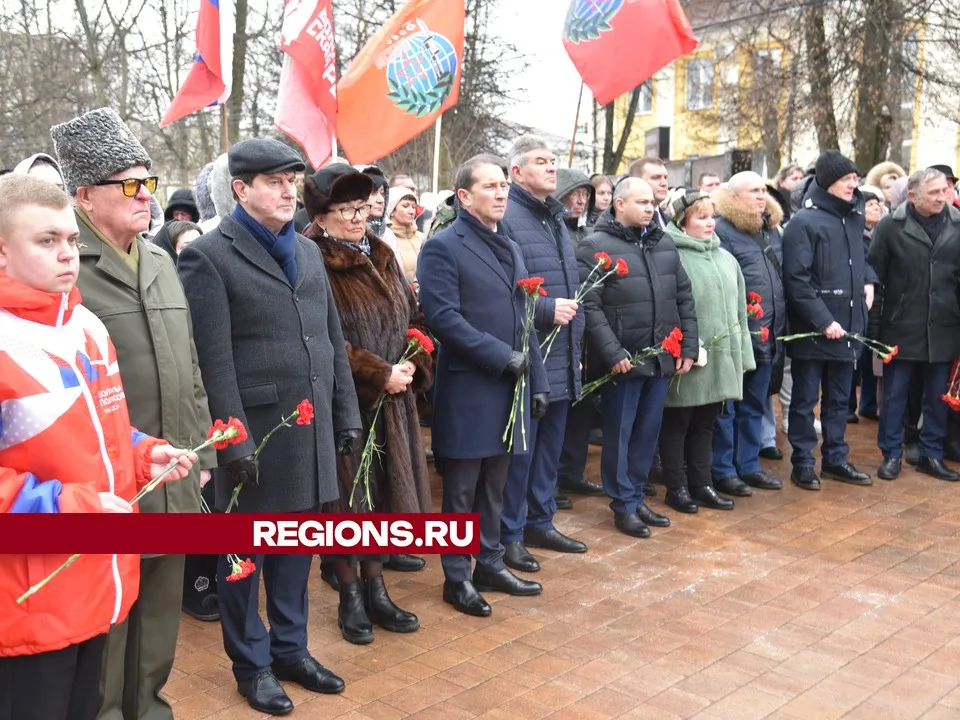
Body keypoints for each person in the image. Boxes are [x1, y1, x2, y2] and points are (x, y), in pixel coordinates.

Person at [0, 174, 196, 720]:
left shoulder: (86, 325)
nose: (67, 255)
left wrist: (142, 454)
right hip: (27, 604)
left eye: (69, 239)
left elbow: (98, 433)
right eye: (46, 241)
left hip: (96, 587)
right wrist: (71, 509)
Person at [178, 138, 361, 715]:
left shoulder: (307, 252)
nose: (289, 192)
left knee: (295, 554)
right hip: (254, 436)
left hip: (306, 432)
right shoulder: (209, 255)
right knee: (242, 561)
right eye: (274, 182)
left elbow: (331, 341)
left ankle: (291, 650)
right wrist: (233, 441)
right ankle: (252, 665)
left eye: (293, 181)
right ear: (241, 189)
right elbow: (212, 359)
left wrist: (346, 415)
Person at [50, 107, 216, 720]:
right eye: (129, 184)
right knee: (109, 611)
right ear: (85, 195)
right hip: (108, 480)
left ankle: (149, 708)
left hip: (170, 470)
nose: (145, 195)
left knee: (157, 613)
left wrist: (200, 453)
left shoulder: (162, 261)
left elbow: (190, 365)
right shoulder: (67, 270)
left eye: (148, 181)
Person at [301, 164, 430, 642]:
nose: (359, 218)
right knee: (346, 504)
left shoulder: (381, 251)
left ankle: (378, 587)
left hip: (394, 399)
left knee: (381, 499)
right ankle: (350, 595)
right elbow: (321, 339)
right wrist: (378, 374)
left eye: (363, 206)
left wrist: (413, 362)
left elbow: (413, 317)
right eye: (346, 210)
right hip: (345, 401)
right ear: (320, 214)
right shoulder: (310, 257)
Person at [418, 154, 548, 617]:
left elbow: (524, 316)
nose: (501, 193)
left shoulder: (509, 247)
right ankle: (456, 577)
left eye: (503, 187)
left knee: (496, 482)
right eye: (490, 187)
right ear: (464, 196)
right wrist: (501, 358)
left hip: (511, 385)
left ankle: (489, 562)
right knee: (461, 490)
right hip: (471, 386)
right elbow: (444, 319)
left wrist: (536, 376)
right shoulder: (443, 246)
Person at [576, 178, 698, 538]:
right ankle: (623, 504)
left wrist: (687, 345)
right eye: (642, 202)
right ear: (619, 204)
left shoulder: (663, 242)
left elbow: (683, 298)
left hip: (660, 357)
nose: (650, 208)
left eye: (652, 203)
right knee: (620, 434)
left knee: (647, 433)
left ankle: (637, 494)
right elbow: (590, 307)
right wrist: (612, 352)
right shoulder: (595, 245)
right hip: (623, 363)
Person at [496, 136, 588, 576]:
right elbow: (506, 291)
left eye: (554, 161)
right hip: (531, 354)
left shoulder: (555, 218)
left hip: (562, 353)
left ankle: (540, 520)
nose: (553, 168)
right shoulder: (509, 217)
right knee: (522, 454)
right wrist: (548, 310)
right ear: (516, 172)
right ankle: (510, 534)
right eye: (541, 162)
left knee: (549, 450)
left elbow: (572, 286)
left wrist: (577, 349)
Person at [782, 150, 873, 491]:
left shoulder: (853, 217)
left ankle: (836, 458)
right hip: (814, 330)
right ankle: (803, 462)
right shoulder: (804, 223)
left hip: (849, 325)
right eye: (848, 179)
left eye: (855, 179)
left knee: (839, 399)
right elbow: (797, 280)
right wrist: (823, 320)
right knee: (805, 401)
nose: (854, 184)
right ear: (828, 182)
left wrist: (868, 281)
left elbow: (862, 257)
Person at [660, 189, 755, 512]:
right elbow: (669, 309)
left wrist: (741, 354)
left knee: (705, 425)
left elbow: (739, 312)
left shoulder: (725, 257)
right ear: (682, 223)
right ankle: (677, 487)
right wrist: (681, 347)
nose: (710, 223)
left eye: (712, 216)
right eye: (701, 217)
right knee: (678, 425)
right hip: (689, 359)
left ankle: (702, 484)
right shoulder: (671, 255)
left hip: (719, 359)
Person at [868, 167, 960, 482]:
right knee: (895, 396)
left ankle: (931, 455)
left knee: (937, 397)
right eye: (933, 192)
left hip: (945, 326)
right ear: (912, 196)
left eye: (945, 191)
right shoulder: (890, 227)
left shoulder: (957, 224)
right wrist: (876, 331)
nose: (942, 197)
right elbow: (875, 279)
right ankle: (891, 454)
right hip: (900, 326)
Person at [711, 172, 787, 496]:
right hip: (738, 333)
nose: (761, 196)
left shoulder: (768, 230)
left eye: (763, 190)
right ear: (733, 196)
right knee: (728, 407)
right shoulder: (723, 230)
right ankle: (724, 470)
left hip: (768, 331)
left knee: (755, 403)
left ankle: (749, 465)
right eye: (753, 191)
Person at [849, 184, 886, 422]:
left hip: (880, 302)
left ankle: (869, 403)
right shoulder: (855, 234)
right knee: (855, 356)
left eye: (878, 204)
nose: (876, 208)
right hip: (860, 301)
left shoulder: (882, 233)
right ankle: (848, 406)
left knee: (872, 357)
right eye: (871, 204)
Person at [382, 186, 424, 281]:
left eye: (413, 207)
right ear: (392, 210)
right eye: (405, 206)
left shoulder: (421, 237)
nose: (411, 211)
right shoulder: (386, 239)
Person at [554, 168, 596, 244]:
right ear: (560, 196)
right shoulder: (551, 234)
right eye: (575, 194)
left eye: (585, 194)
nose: (582, 201)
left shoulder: (589, 233)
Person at [628, 157, 671, 228]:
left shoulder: (670, 222)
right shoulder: (626, 222)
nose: (664, 183)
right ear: (637, 181)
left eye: (665, 177)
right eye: (656, 177)